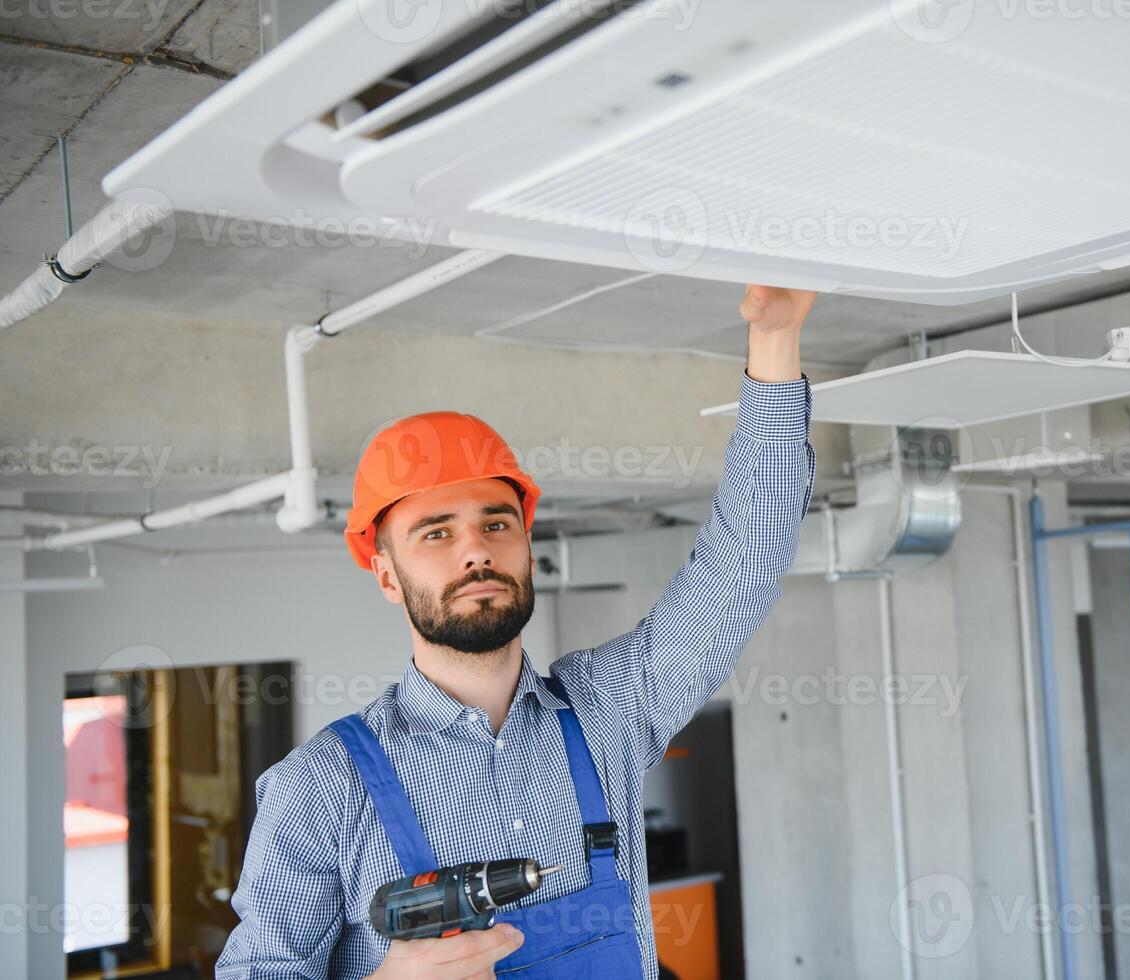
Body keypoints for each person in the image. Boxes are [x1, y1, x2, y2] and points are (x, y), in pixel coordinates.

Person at [216, 284, 819, 979]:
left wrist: (774, 346)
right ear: (386, 576)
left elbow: (743, 568)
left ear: (527, 547)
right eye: (436, 532)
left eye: (495, 524)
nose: (475, 551)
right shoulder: (322, 787)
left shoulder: (610, 710)